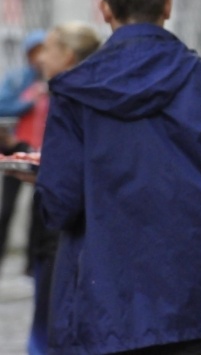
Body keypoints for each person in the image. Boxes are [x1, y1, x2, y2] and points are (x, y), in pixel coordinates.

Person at [34, 0, 201, 354]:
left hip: (104, 291)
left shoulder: (74, 92)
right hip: (193, 289)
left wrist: (48, 177)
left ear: (105, 10)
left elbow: (61, 204)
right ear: (167, 6)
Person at [25, 21, 102, 355]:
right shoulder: (58, 93)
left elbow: (79, 171)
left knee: (56, 332)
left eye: (49, 49)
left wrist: (44, 174)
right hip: (51, 229)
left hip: (67, 231)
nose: (41, 58)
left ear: (68, 55)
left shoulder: (77, 96)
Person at [0, 28, 47, 278]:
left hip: (43, 150)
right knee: (7, 206)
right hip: (19, 147)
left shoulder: (56, 80)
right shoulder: (20, 80)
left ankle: (31, 262)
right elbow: (2, 104)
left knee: (38, 210)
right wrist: (29, 101)